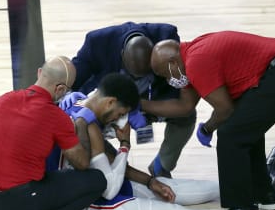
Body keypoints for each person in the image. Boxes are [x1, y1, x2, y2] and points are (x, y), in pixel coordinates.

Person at [53, 73, 275, 210]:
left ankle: (259, 187)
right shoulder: (88, 125)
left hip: (94, 186)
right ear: (110, 102)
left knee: (169, 186)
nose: (121, 119)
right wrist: (125, 145)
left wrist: (151, 181)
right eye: (122, 112)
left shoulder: (78, 103)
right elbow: (108, 188)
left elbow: (107, 169)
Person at [141, 30, 275, 210]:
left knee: (231, 135)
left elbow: (225, 109)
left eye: (165, 75)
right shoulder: (190, 54)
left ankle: (242, 207)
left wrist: (207, 128)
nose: (168, 80)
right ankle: (265, 196)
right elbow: (186, 106)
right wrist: (139, 104)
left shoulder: (196, 63)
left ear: (172, 63)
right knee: (244, 130)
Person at [0, 56, 107, 210]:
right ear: (60, 89)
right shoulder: (56, 116)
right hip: (24, 202)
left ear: (39, 73)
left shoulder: (3, 99)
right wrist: (80, 123)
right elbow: (82, 163)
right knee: (95, 180)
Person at [64, 21, 197, 178]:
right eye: (134, 75)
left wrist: (141, 107)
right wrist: (69, 95)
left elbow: (184, 94)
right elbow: (73, 78)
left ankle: (162, 165)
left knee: (186, 116)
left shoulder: (166, 38)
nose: (139, 78)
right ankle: (107, 166)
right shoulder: (97, 42)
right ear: (121, 56)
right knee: (93, 138)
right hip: (112, 106)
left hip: (150, 101)